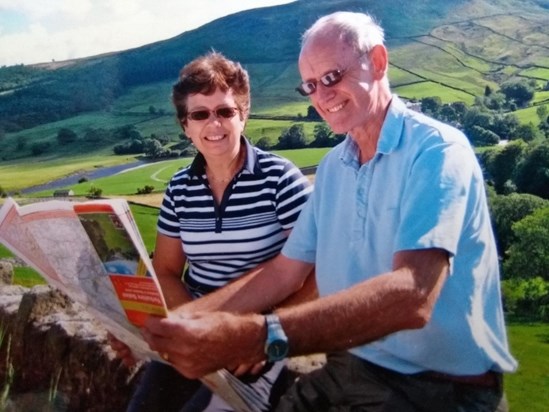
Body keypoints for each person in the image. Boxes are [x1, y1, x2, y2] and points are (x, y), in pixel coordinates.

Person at [142, 11, 518, 411]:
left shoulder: (437, 151)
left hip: (438, 388)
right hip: (354, 367)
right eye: (310, 86)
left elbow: (414, 293)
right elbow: (284, 271)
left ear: (377, 62)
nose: (322, 96)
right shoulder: (335, 168)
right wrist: (180, 324)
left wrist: (260, 335)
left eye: (331, 77)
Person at [110, 51, 313, 412]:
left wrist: (272, 330)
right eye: (200, 114)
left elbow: (319, 268)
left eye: (225, 111)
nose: (213, 124)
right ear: (185, 125)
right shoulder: (179, 189)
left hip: (253, 333)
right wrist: (196, 326)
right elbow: (168, 270)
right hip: (195, 321)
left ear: (244, 114)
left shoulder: (280, 179)